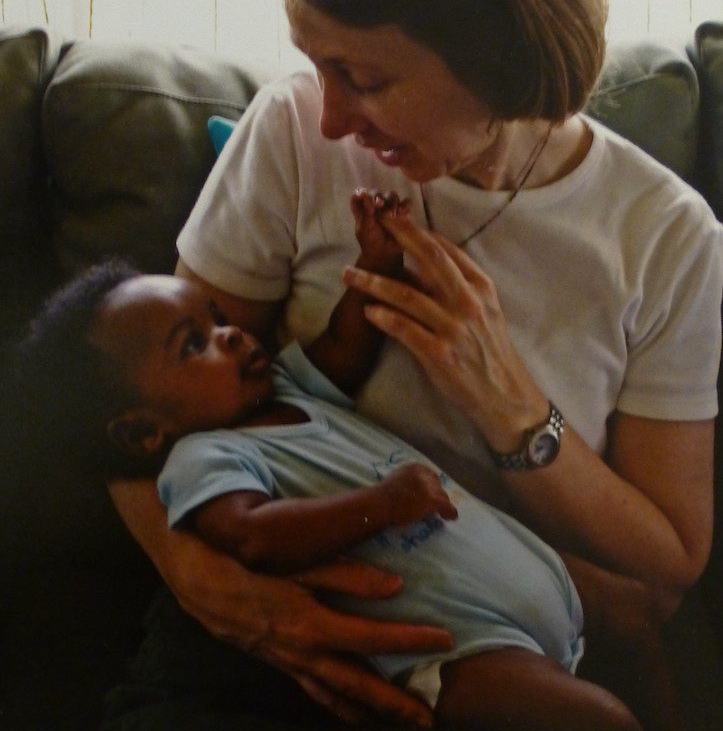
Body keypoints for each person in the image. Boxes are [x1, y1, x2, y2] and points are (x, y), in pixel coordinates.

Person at [106, 0, 722, 729]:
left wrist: (510, 409)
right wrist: (199, 575)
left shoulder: (666, 238)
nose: (326, 119)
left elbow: (666, 561)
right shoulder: (287, 137)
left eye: (361, 76)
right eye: (315, 66)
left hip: (483, 652)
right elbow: (135, 404)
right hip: (257, 646)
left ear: (495, 58)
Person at [22, 192, 647, 731]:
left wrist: (374, 259)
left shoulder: (287, 386)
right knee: (603, 721)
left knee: (636, 612)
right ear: (141, 434)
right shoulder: (203, 459)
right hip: (453, 650)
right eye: (194, 345)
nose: (232, 333)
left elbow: (347, 345)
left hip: (526, 569)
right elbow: (253, 537)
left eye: (214, 318)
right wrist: (380, 508)